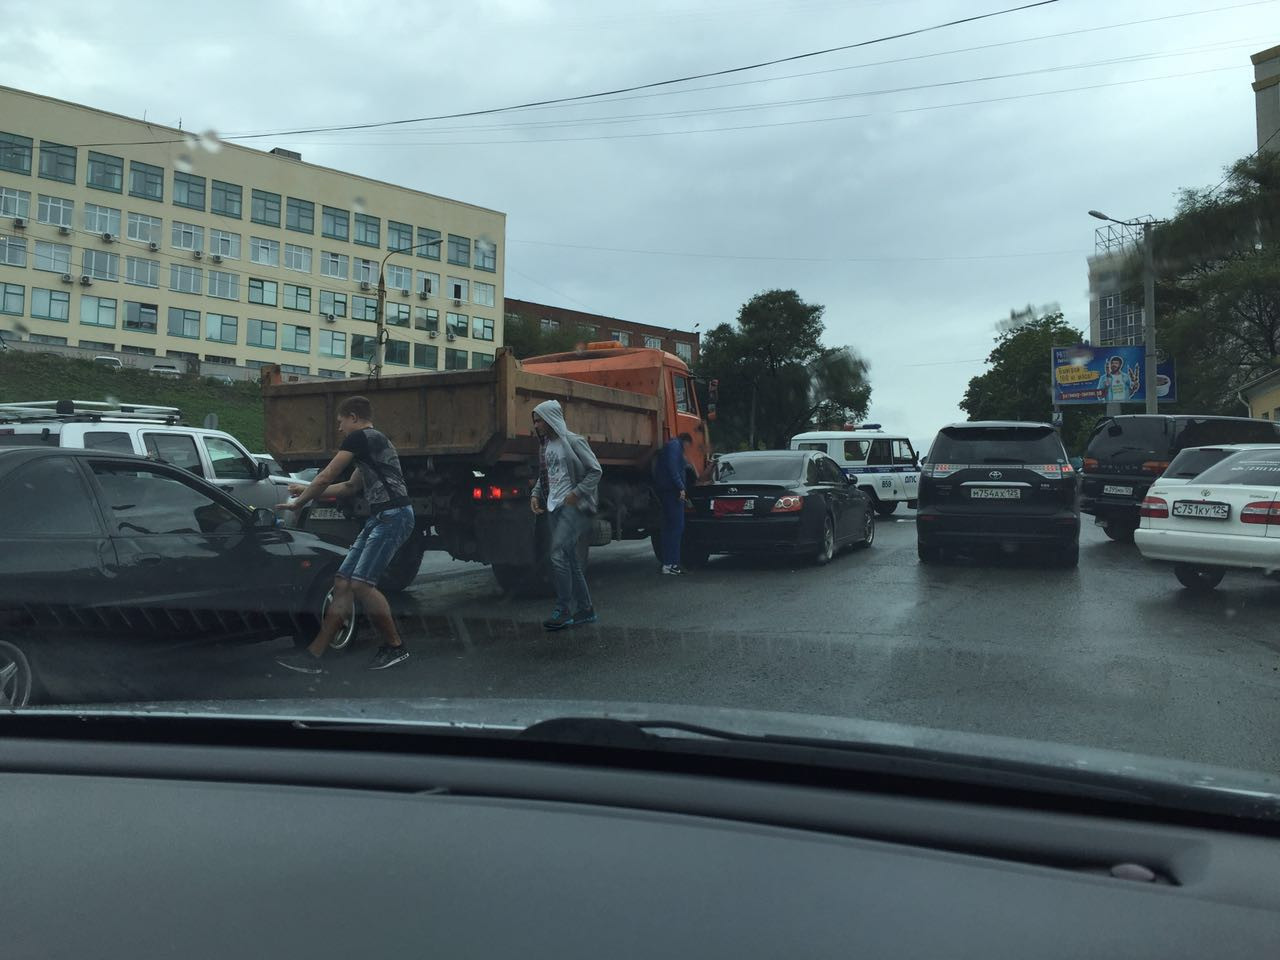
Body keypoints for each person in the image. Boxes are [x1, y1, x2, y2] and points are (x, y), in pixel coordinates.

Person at [273, 395, 415, 674]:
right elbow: (348, 487)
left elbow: (326, 475)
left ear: (353, 417)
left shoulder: (360, 438)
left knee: (361, 584)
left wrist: (298, 504)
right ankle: (314, 655)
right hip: (382, 517)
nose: (339, 429)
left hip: (393, 516)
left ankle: (395, 647)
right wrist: (306, 491)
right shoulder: (374, 444)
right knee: (343, 582)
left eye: (340, 423)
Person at [530, 399, 602, 631]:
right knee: (570, 558)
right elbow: (546, 475)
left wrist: (577, 493)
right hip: (552, 506)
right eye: (535, 421)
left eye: (540, 420)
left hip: (572, 508)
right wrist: (535, 494)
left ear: (551, 419)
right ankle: (586, 608)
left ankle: (563, 609)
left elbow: (595, 470)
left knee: (557, 556)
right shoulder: (544, 446)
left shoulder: (573, 442)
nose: (537, 425)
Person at [654, 432, 694, 575]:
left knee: (669, 528)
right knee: (677, 527)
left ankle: (668, 563)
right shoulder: (675, 446)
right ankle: (673, 563)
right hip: (672, 491)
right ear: (686, 442)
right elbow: (673, 468)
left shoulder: (671, 446)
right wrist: (681, 487)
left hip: (667, 490)